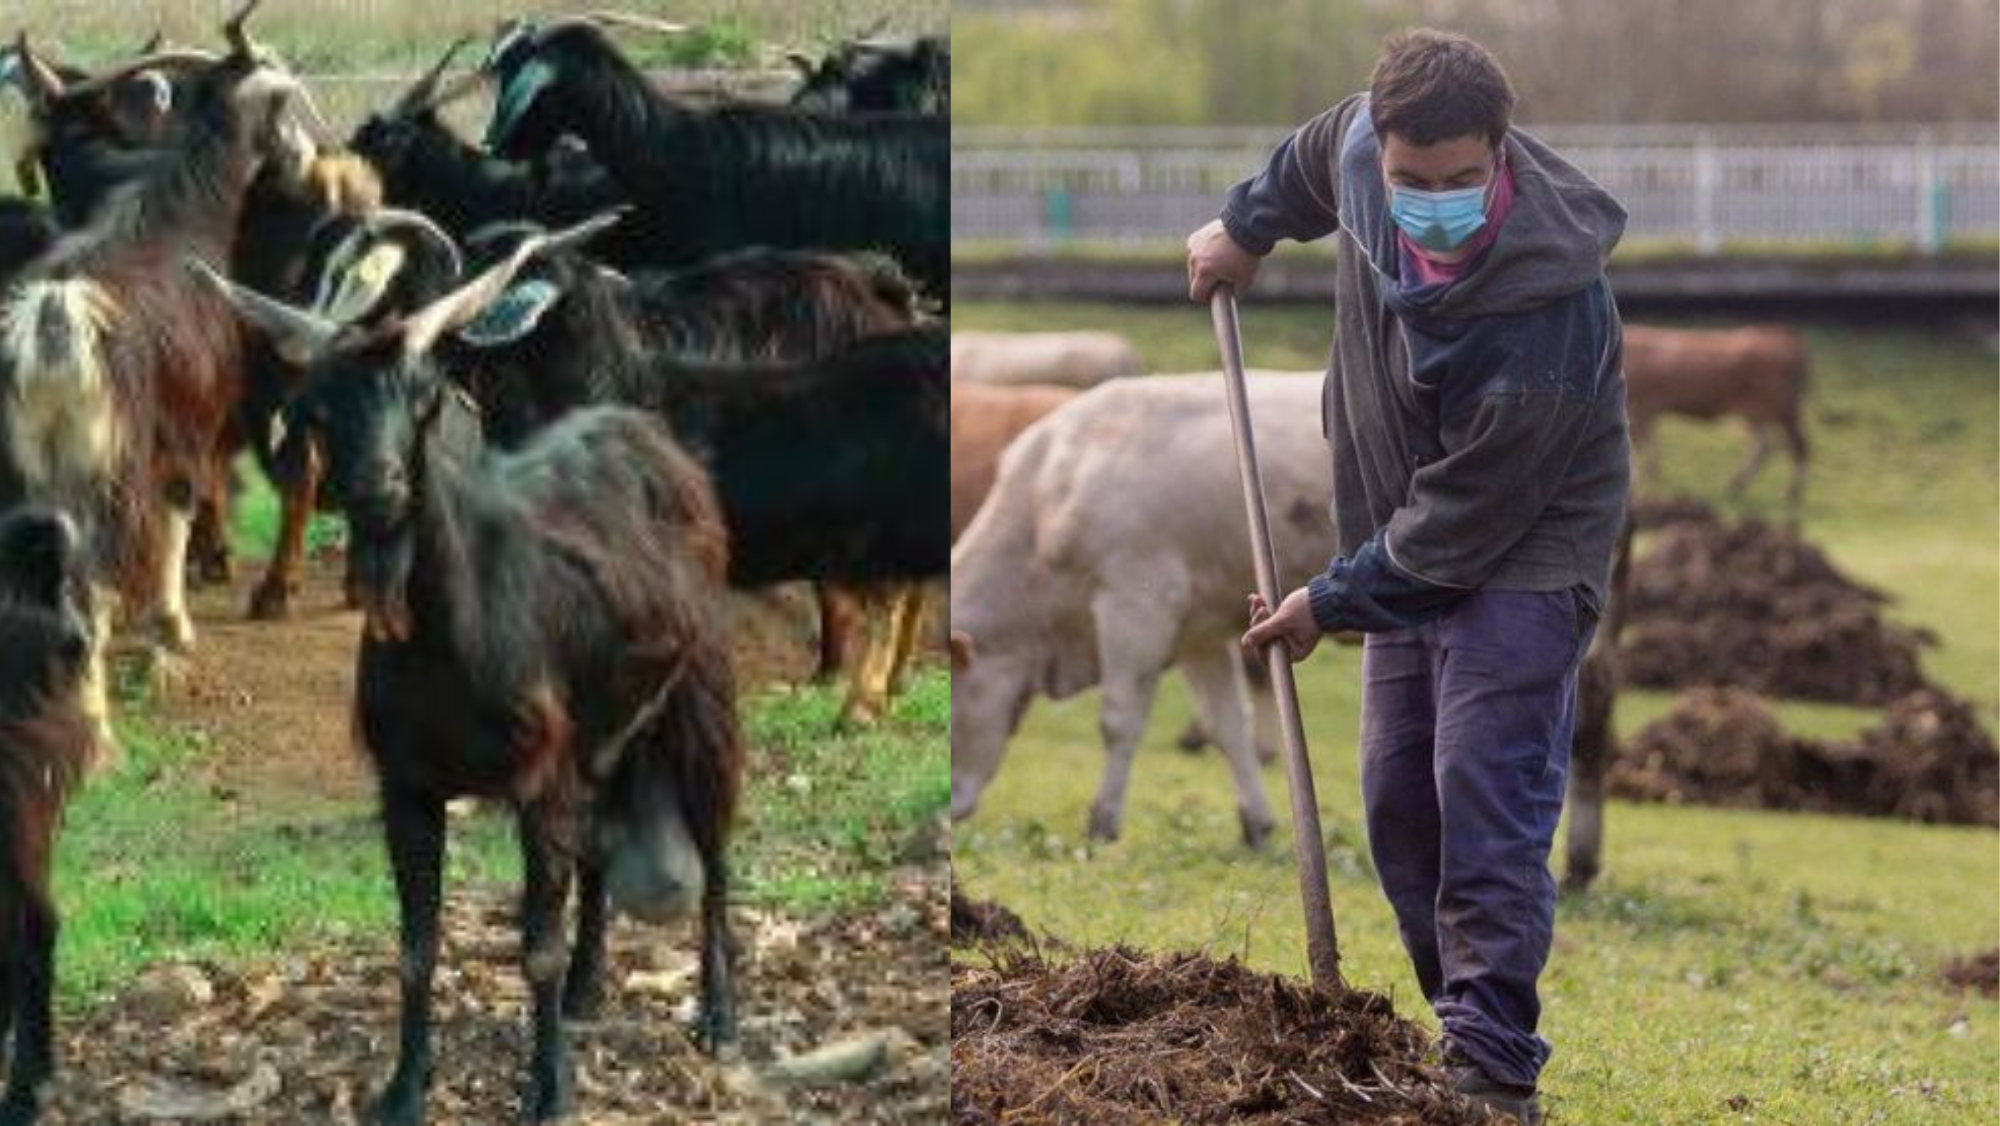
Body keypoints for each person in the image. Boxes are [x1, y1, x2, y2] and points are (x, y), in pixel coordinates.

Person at [1186, 27, 1629, 1126]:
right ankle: (1459, 1025)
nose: (1430, 201)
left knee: (1482, 789)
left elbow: (1467, 521)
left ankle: (1488, 1069)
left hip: (1523, 549)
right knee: (1397, 804)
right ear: (1381, 154)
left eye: (1459, 180)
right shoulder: (1355, 156)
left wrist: (1329, 598)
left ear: (1500, 155)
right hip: (1398, 529)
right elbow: (1308, 154)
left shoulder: (1548, 308)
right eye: (1408, 181)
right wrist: (1243, 229)